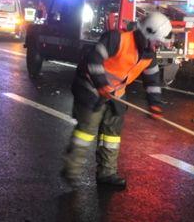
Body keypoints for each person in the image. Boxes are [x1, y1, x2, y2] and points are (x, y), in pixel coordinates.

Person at [61, 11, 172, 189]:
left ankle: (107, 174)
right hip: (90, 88)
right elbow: (94, 59)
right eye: (157, 41)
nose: (158, 46)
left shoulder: (148, 56)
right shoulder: (117, 39)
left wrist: (155, 105)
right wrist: (101, 84)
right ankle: (71, 170)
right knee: (86, 132)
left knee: (112, 136)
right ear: (148, 34)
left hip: (116, 93)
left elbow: (152, 82)